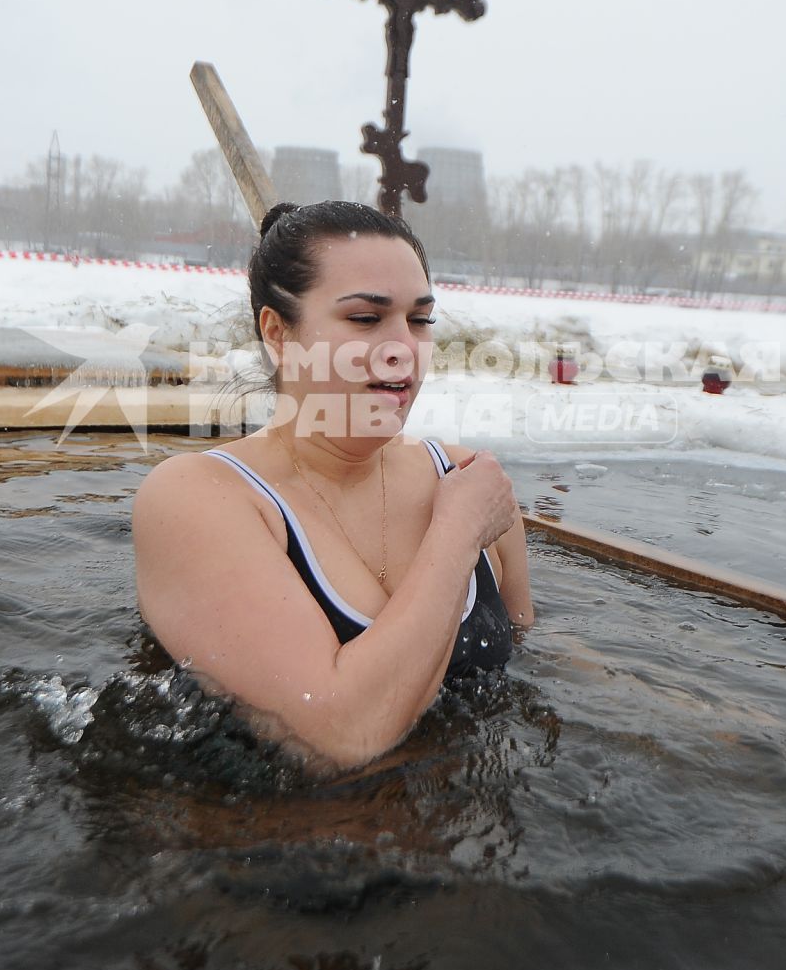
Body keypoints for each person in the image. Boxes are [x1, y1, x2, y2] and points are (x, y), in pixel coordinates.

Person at [132, 200, 533, 770]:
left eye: (420, 320)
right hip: (276, 844)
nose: (403, 348)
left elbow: (531, 660)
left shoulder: (467, 478)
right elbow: (338, 737)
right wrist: (457, 536)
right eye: (366, 319)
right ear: (279, 333)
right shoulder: (202, 498)